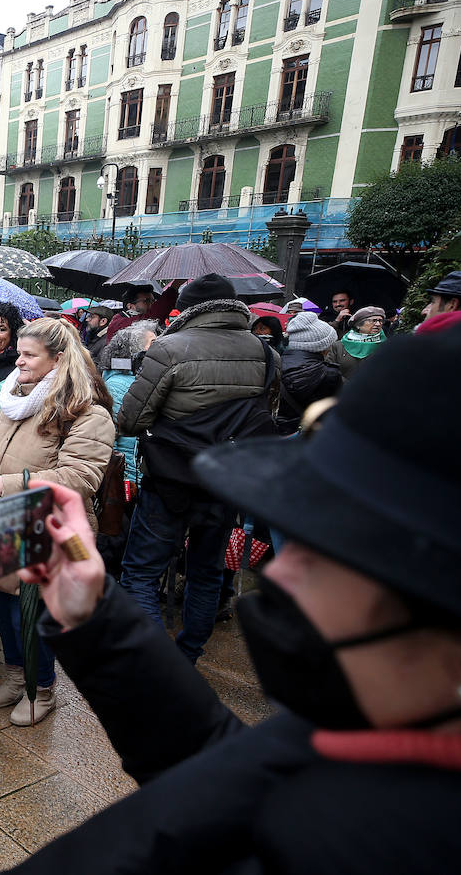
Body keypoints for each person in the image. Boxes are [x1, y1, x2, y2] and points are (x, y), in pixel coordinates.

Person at [0, 325, 461, 875]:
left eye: (323, 551)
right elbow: (225, 771)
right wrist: (96, 622)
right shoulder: (381, 723)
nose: (277, 572)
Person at [116, 272, 274, 664]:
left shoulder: (169, 349)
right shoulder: (264, 351)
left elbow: (131, 421)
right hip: (224, 481)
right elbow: (264, 416)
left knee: (140, 574)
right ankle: (187, 656)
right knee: (206, 574)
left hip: (170, 480)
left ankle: (161, 667)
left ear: (186, 309)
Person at [0, 317, 114, 725]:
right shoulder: (14, 397)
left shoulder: (87, 412)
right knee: (2, 600)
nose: (19, 362)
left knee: (29, 615)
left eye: (30, 355)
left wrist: (8, 483)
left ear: (60, 359)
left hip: (45, 527)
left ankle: (41, 690)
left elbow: (81, 477)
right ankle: (17, 679)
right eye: (19, 352)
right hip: (0, 519)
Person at [99, 319, 158, 492]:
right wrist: (123, 478)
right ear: (134, 351)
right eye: (153, 343)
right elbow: (111, 437)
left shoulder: (138, 379)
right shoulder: (119, 385)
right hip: (129, 478)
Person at [277, 311, 342, 435]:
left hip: (277, 435)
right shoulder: (329, 374)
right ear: (322, 346)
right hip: (312, 437)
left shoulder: (275, 363)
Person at [104, 282, 179, 342]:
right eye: (147, 301)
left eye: (153, 301)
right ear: (130, 306)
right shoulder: (119, 322)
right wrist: (175, 285)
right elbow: (152, 317)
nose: (152, 304)